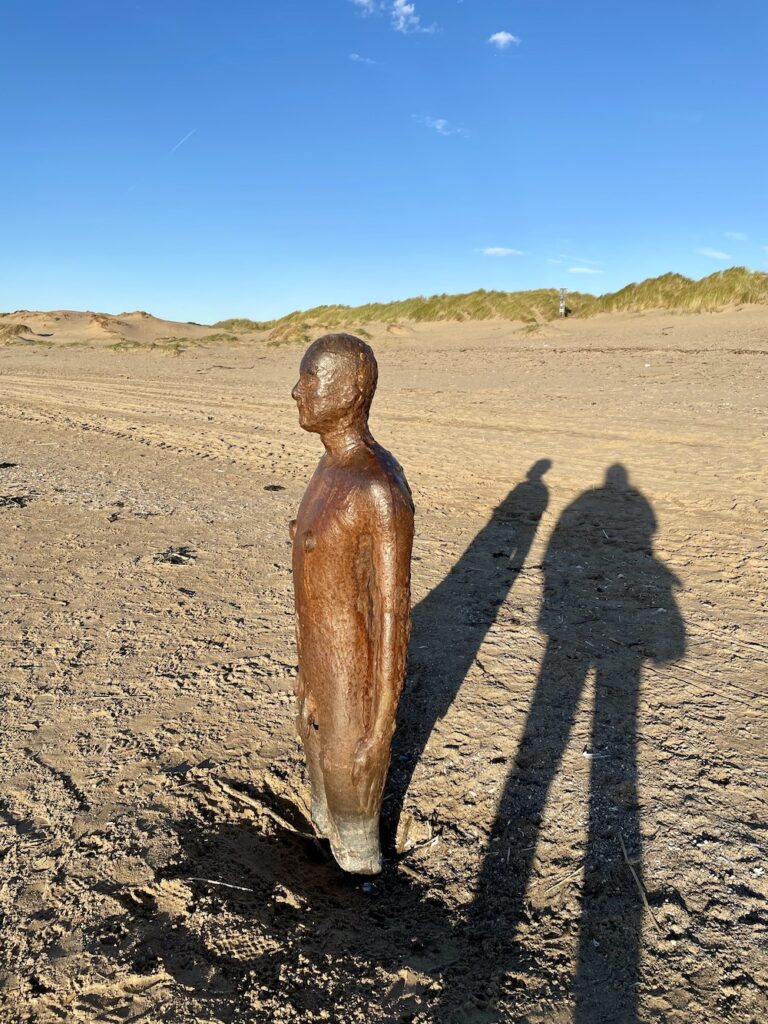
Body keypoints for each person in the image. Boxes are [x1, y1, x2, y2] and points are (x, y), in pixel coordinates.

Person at [290, 333, 414, 874]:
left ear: (349, 389)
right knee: (320, 791)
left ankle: (362, 877)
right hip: (321, 672)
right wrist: (306, 681)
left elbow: (393, 616)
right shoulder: (327, 471)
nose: (296, 391)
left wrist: (379, 726)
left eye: (311, 379)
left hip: (353, 691)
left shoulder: (377, 489)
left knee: (349, 800)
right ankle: (329, 857)